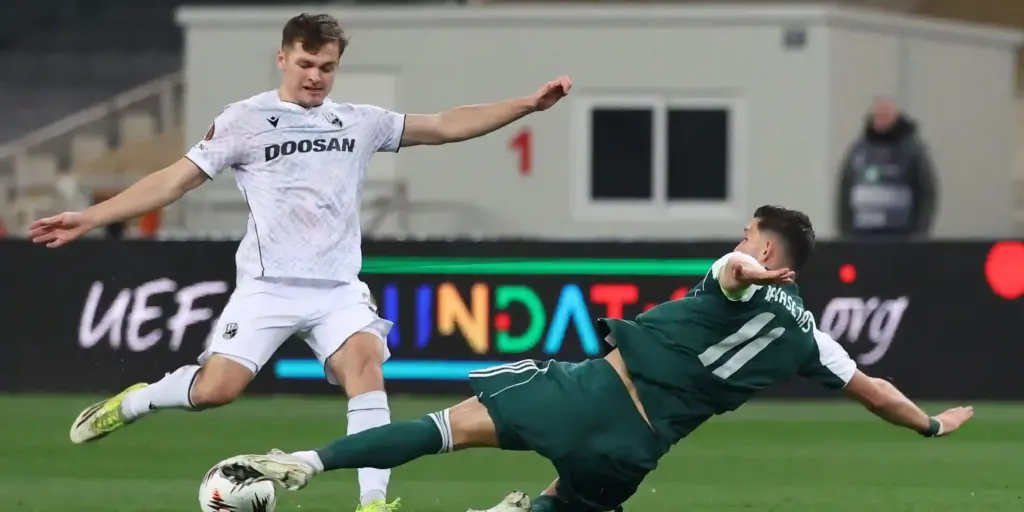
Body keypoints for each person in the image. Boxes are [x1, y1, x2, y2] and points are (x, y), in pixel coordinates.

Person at [28, 12, 571, 512]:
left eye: (327, 67)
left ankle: (373, 503)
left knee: (366, 368)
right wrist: (93, 217)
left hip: (337, 289)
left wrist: (526, 105)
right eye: (306, 63)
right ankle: (136, 402)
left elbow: (446, 124)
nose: (316, 76)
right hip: (268, 287)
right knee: (217, 390)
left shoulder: (359, 122)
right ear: (283, 58)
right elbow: (175, 180)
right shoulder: (245, 119)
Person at [219, 205, 975, 512]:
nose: (743, 244)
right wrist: (931, 429)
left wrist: (744, 271)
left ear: (769, 247)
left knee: (438, 429)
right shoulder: (815, 338)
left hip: (592, 395)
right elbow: (875, 391)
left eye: (751, 236)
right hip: (635, 453)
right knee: (556, 504)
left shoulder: (738, 273)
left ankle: (302, 466)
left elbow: (731, 274)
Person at [838, 96, 939, 239]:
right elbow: (846, 188)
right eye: (878, 115)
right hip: (862, 233)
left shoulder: (912, 151)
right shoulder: (859, 150)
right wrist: (845, 230)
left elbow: (926, 191)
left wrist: (920, 231)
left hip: (900, 234)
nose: (881, 119)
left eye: (886, 115)